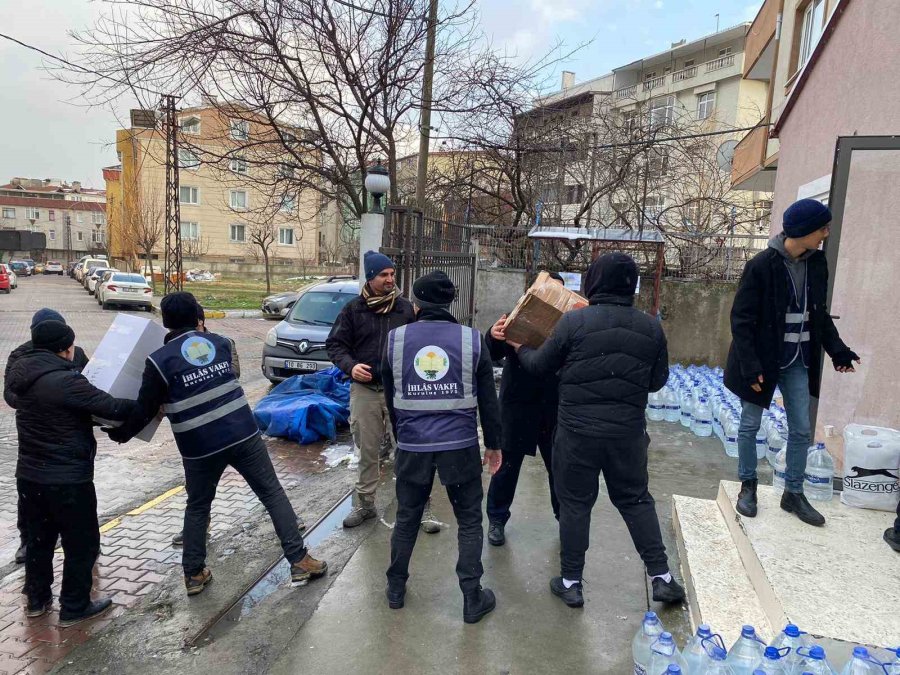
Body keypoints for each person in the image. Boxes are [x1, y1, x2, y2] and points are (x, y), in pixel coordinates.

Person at [106, 292, 326, 595]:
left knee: (198, 506)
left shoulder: (158, 362)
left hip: (199, 447)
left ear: (165, 322)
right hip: (242, 434)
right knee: (272, 494)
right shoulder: (221, 344)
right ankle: (299, 560)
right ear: (198, 317)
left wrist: (121, 433)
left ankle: (194, 574)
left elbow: (145, 409)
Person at [505, 253, 685, 609]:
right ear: (631, 285)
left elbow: (540, 366)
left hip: (576, 434)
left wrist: (519, 345)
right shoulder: (651, 327)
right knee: (635, 500)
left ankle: (571, 582)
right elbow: (656, 381)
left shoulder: (574, 323)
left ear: (593, 282)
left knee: (575, 504)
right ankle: (661, 577)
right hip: (627, 435)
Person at [724, 199, 859, 527]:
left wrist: (837, 350)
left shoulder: (817, 263)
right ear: (804, 231)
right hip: (763, 361)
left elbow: (818, 314)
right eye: (822, 228)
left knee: (801, 428)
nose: (826, 234)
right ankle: (748, 486)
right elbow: (741, 319)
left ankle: (793, 493)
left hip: (798, 360)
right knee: (749, 425)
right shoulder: (761, 265)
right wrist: (750, 365)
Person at [382, 271, 503, 623]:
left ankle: (395, 589)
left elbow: (391, 396)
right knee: (468, 521)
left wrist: (401, 433)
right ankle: (471, 597)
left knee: (407, 517)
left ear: (416, 303)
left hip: (413, 445)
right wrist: (494, 445)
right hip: (460, 447)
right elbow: (488, 401)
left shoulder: (395, 340)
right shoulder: (472, 340)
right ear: (451, 302)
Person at [7, 320, 133, 626]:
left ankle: (37, 601)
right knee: (82, 542)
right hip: (67, 479)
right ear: (65, 348)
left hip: (29, 475)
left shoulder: (21, 374)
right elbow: (111, 406)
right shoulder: (65, 381)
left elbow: (61, 412)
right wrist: (146, 406)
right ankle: (74, 607)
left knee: (39, 541)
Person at [326, 251, 435, 530]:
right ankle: (365, 505)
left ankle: (419, 507)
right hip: (365, 390)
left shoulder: (406, 310)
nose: (390, 279)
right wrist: (350, 367)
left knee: (409, 449)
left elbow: (422, 345)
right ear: (370, 277)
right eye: (383, 275)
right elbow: (335, 345)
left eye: (392, 274)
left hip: (400, 391)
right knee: (367, 449)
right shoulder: (353, 310)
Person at [4, 308, 90, 566]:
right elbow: (11, 395)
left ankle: (81, 542)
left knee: (77, 496)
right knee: (31, 497)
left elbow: (90, 384)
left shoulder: (76, 352)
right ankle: (27, 541)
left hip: (72, 436)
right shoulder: (20, 357)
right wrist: (42, 401)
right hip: (36, 437)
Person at [484, 272, 563, 547]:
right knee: (506, 467)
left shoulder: (570, 323)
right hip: (518, 406)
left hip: (554, 408)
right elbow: (491, 354)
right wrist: (493, 336)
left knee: (559, 468)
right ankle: (496, 519)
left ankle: (564, 519)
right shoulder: (515, 317)